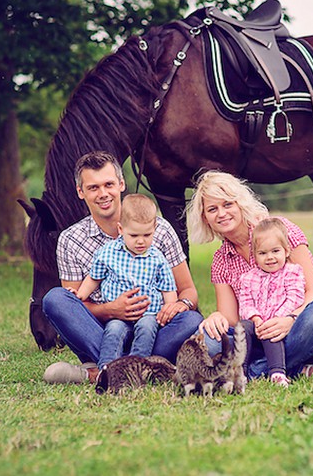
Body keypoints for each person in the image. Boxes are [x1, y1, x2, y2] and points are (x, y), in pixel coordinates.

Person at [42, 151, 202, 384]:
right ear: (80, 192)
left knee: (191, 321)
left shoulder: (160, 230)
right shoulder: (70, 240)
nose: (103, 193)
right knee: (55, 299)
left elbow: (189, 292)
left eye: (108, 184)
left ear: (121, 184)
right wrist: (111, 310)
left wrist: (179, 305)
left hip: (152, 328)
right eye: (93, 187)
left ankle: (100, 372)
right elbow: (76, 301)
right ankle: (143, 368)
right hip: (100, 332)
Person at [185, 170, 313, 380]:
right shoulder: (221, 260)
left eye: (227, 204)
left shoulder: (279, 230)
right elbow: (232, 319)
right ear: (205, 218)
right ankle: (300, 370)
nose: (221, 213)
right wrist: (217, 316)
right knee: (210, 339)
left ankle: (251, 373)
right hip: (261, 337)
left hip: (306, 331)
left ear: (240, 203)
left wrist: (290, 319)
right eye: (213, 209)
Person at [74, 194, 178, 371]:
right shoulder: (108, 253)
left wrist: (169, 308)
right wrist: (80, 295)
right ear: (121, 229)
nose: (140, 241)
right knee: (113, 331)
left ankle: (136, 368)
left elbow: (167, 288)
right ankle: (106, 369)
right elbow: (93, 278)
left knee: (146, 329)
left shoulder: (157, 258)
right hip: (117, 315)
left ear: (155, 229)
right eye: (134, 235)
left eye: (147, 234)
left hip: (149, 314)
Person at [238, 218, 305, 387]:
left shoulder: (292, 272)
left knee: (272, 331)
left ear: (286, 251)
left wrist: (277, 317)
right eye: (263, 253)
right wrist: (255, 318)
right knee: (242, 327)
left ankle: (277, 373)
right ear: (254, 256)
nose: (270, 258)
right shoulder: (248, 278)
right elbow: (245, 302)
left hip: (281, 327)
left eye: (275, 251)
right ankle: (240, 371)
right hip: (258, 325)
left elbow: (295, 297)